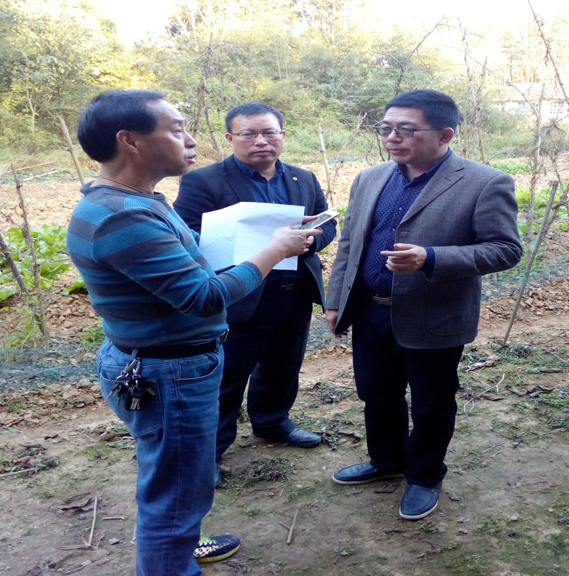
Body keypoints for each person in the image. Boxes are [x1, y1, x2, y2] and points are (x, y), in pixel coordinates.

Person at [66, 90, 321, 575]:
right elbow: (204, 296)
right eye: (177, 128)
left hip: (160, 359)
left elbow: (189, 261)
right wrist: (273, 250)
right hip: (169, 372)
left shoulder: (135, 200)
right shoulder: (125, 216)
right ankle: (173, 556)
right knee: (177, 493)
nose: (191, 140)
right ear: (130, 141)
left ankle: (179, 546)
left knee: (177, 480)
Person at [325, 89, 522, 520]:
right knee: (377, 394)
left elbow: (505, 249)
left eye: (406, 130)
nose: (392, 138)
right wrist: (336, 299)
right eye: (386, 128)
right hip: (371, 311)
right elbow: (351, 244)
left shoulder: (484, 182)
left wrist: (431, 258)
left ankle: (425, 475)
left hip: (435, 314)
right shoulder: (370, 178)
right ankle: (386, 460)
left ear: (444, 134)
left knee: (431, 403)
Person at [175, 102, 336, 484]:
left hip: (294, 291)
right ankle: (211, 451)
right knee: (227, 376)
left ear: (283, 135)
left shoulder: (302, 178)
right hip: (240, 294)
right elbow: (187, 233)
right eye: (249, 134)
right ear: (230, 138)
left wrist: (311, 241)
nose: (260, 141)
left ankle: (272, 421)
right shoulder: (205, 181)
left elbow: (326, 222)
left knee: (284, 366)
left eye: (269, 132)